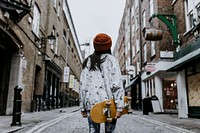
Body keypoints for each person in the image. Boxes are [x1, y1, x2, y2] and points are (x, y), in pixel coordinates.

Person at [79, 33, 125, 133]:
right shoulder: (112, 61)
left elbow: (83, 85)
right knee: (110, 131)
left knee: (93, 131)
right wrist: (120, 107)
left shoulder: (88, 61)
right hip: (109, 104)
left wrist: (82, 106)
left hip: (92, 104)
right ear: (109, 46)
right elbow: (117, 85)